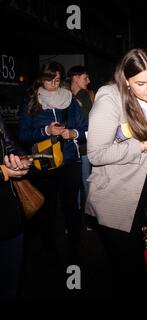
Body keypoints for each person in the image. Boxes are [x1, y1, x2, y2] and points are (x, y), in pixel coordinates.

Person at [85, 47, 147, 299]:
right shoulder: (110, 97)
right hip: (117, 195)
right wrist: (144, 146)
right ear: (126, 80)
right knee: (128, 270)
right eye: (141, 83)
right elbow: (96, 154)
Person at [19, 61, 87, 263]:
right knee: (47, 209)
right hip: (44, 164)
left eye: (57, 80)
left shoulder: (71, 101)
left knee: (70, 207)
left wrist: (72, 133)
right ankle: (50, 249)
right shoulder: (32, 102)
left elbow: (84, 130)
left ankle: (75, 249)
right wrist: (46, 131)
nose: (53, 85)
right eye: (49, 80)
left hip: (69, 162)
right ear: (41, 79)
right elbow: (23, 135)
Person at [0, 114, 33, 299]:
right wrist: (4, 171)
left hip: (8, 211)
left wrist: (21, 160)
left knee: (10, 281)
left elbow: (9, 142)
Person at [67, 65, 93, 207]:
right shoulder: (66, 96)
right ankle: (76, 217)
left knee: (85, 181)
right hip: (72, 147)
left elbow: (88, 123)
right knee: (76, 182)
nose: (88, 81)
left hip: (83, 147)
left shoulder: (84, 96)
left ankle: (90, 217)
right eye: (85, 77)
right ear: (75, 78)